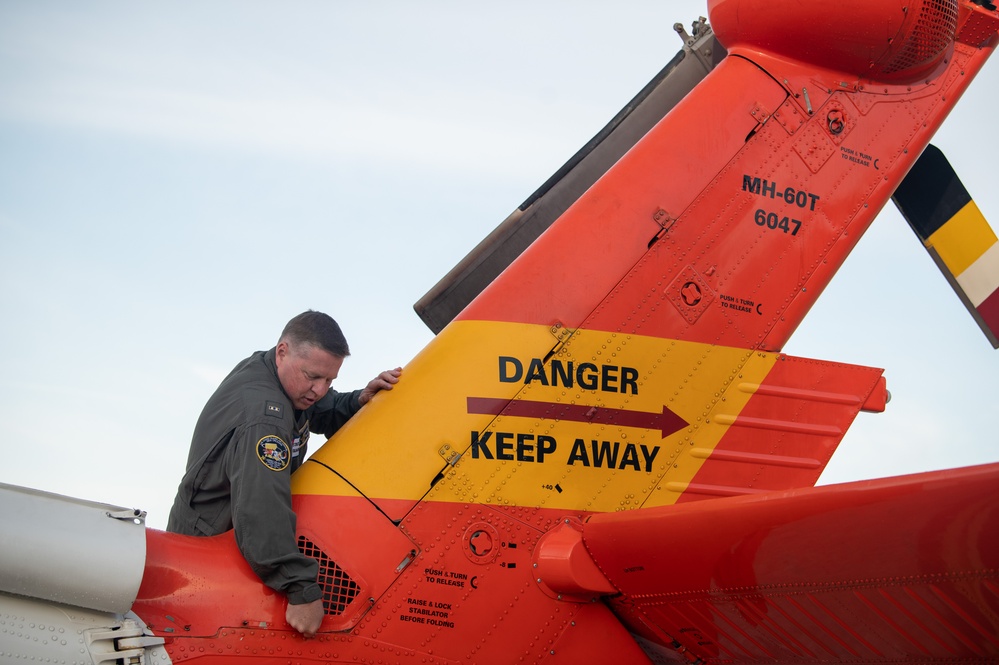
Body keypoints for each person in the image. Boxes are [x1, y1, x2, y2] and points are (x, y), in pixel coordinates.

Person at [166, 310, 401, 638]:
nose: (319, 389)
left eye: (329, 380)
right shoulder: (265, 418)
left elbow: (322, 407)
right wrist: (300, 588)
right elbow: (261, 509)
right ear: (283, 352)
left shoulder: (283, 377)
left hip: (231, 539)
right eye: (313, 377)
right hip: (205, 550)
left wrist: (356, 401)